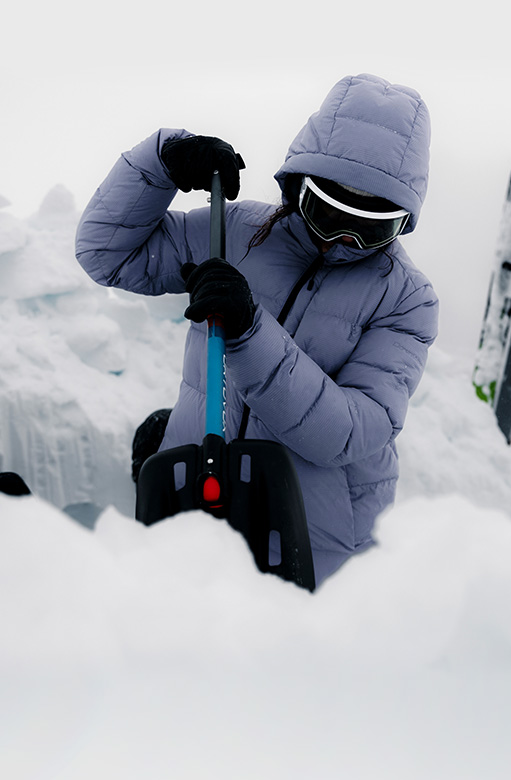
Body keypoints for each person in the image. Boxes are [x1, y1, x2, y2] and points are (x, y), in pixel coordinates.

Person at [75, 73, 438, 585]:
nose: (341, 238)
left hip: (314, 547)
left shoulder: (405, 299)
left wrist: (250, 330)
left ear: (403, 223)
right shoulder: (237, 232)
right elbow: (106, 254)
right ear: (297, 185)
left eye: (372, 226)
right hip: (202, 504)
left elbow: (352, 430)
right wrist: (161, 165)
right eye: (326, 210)